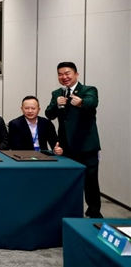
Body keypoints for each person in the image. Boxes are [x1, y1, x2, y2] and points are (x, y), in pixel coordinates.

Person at [45, 62, 101, 218]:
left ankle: (94, 213)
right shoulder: (57, 93)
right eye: (60, 74)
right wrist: (56, 105)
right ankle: (69, 213)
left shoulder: (88, 90)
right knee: (68, 181)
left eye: (67, 73)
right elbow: (49, 114)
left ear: (76, 74)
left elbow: (93, 102)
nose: (64, 77)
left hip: (86, 145)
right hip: (66, 147)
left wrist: (81, 102)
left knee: (90, 182)